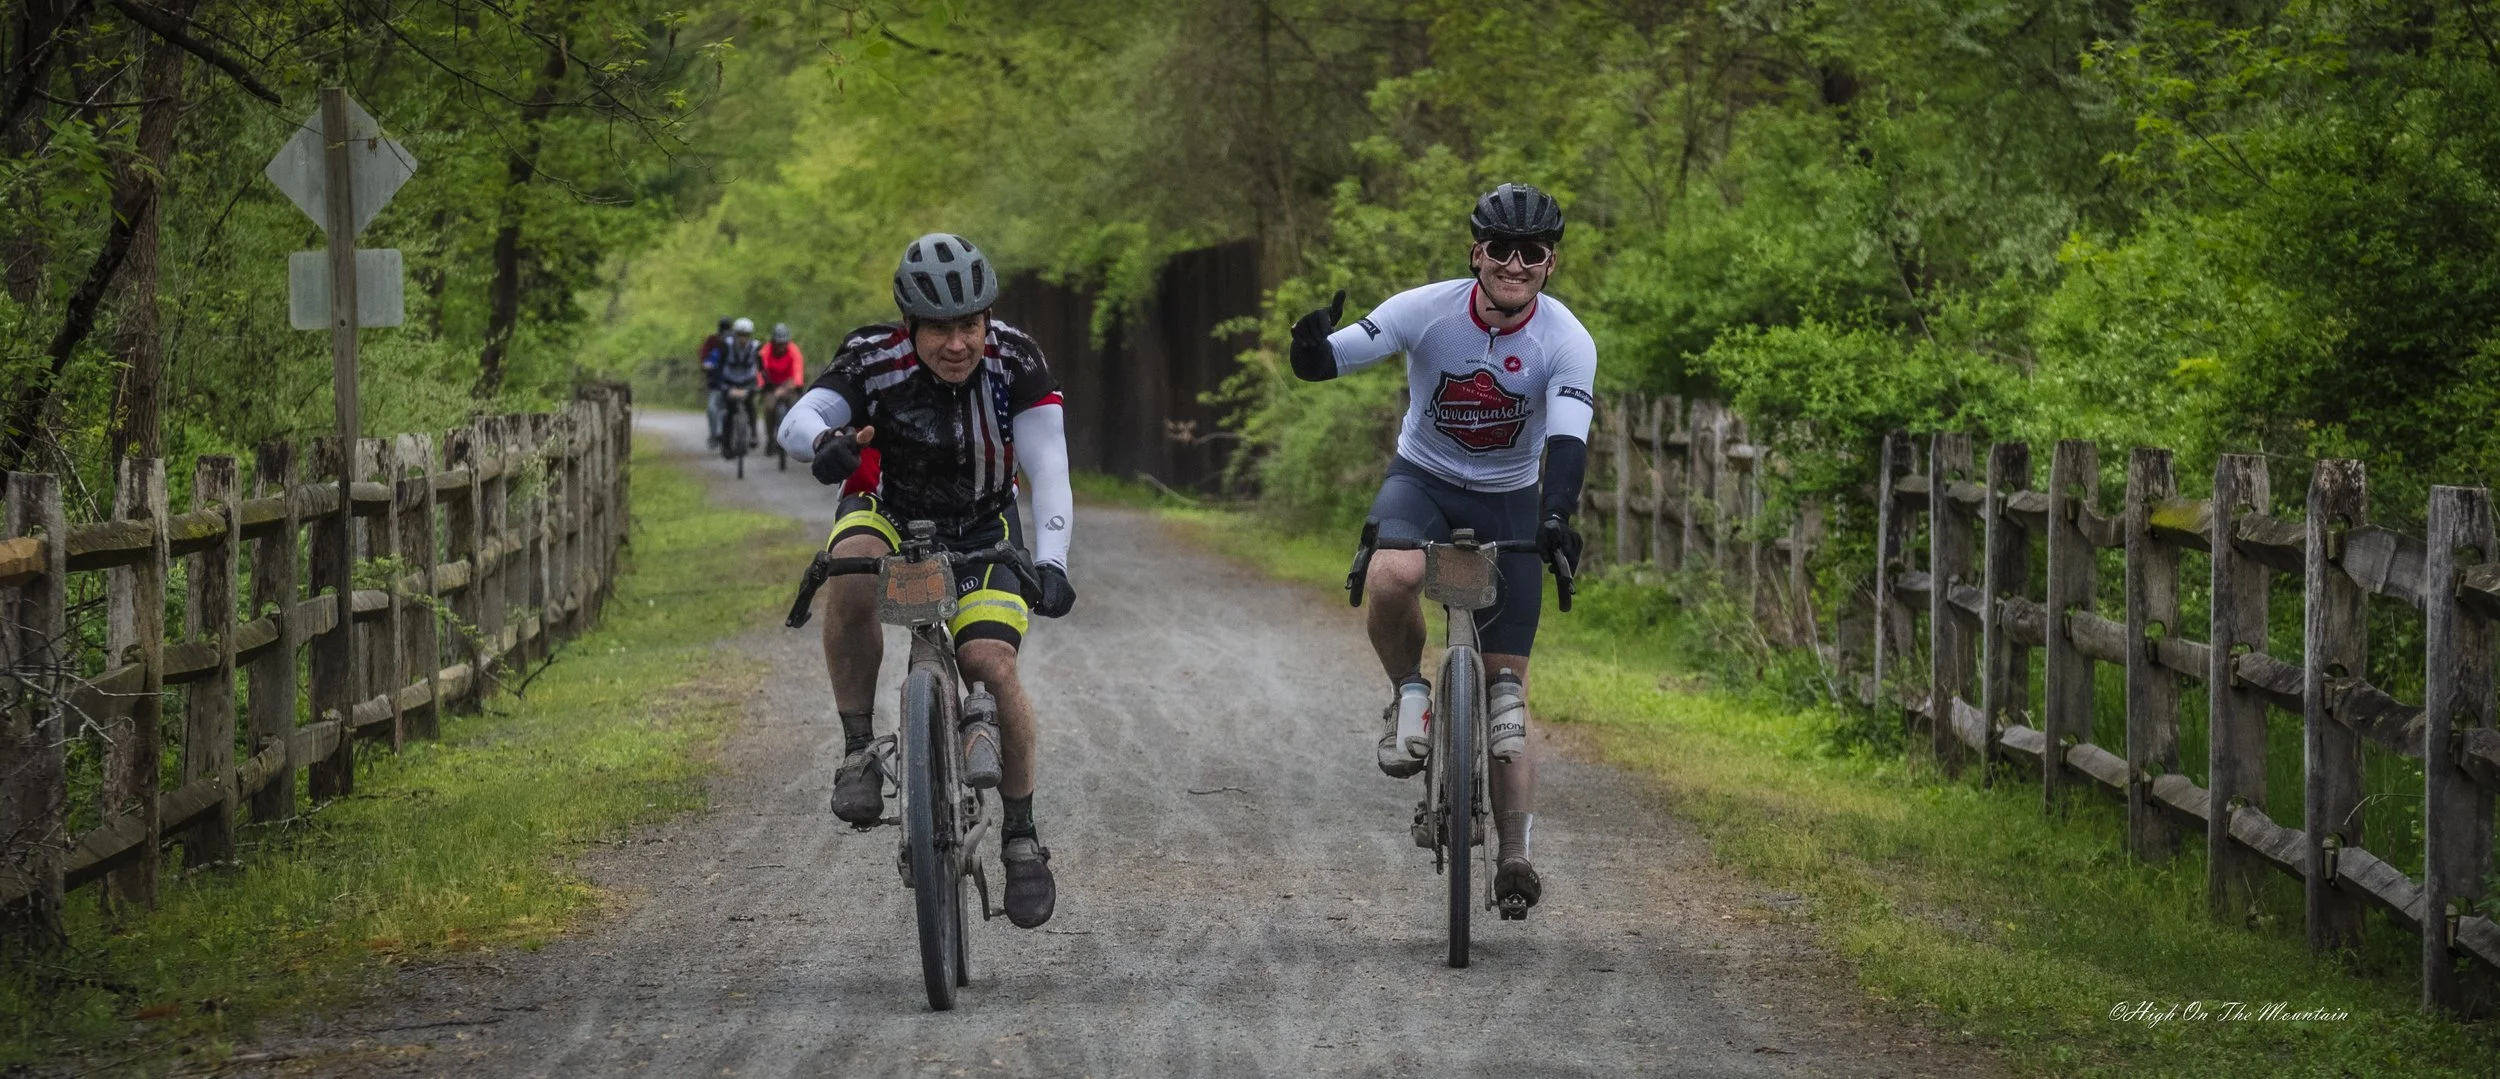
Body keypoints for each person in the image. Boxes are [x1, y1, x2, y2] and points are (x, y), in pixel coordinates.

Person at [1286, 183, 1593, 915]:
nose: (1514, 265)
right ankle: (1411, 692)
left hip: (1509, 492)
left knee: (1506, 692)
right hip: (1422, 479)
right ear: (1476, 253)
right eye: (1501, 250)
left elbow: (1568, 440)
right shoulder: (1427, 308)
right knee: (1393, 574)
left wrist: (1555, 516)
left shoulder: (1566, 338)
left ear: (1550, 264)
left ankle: (1514, 853)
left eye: (1533, 253)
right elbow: (1331, 360)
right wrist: (1307, 345)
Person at [777, 233, 1078, 929]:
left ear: (987, 319)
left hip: (981, 523)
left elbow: (1049, 463)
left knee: (990, 664)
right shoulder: (871, 358)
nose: (956, 343)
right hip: (890, 512)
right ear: (908, 325)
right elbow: (801, 417)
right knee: (849, 567)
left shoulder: (1017, 359)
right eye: (939, 328)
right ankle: (858, 753)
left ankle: (1023, 838)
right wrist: (822, 445)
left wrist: (1055, 562)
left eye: (969, 324)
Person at [707, 317, 764, 451]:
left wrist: (762, 384)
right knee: (728, 411)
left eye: (746, 335)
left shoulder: (756, 347)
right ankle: (726, 443)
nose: (743, 339)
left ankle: (753, 434)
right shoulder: (725, 346)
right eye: (740, 335)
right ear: (735, 334)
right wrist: (720, 384)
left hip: (748, 381)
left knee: (750, 405)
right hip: (730, 381)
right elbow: (718, 366)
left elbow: (762, 368)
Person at [761, 323, 807, 450]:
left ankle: (795, 437)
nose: (781, 346)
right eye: (778, 343)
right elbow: (761, 370)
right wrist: (763, 385)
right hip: (772, 386)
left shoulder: (793, 350)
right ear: (773, 342)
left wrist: (794, 384)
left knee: (796, 408)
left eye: (783, 343)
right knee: (769, 407)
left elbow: (798, 369)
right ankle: (770, 437)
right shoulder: (766, 350)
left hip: (789, 385)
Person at [699, 316, 731, 448]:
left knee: (727, 410)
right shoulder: (712, 341)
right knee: (712, 409)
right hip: (716, 384)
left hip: (731, 384)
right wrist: (706, 365)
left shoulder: (734, 344)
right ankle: (714, 435)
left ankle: (728, 435)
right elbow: (704, 357)